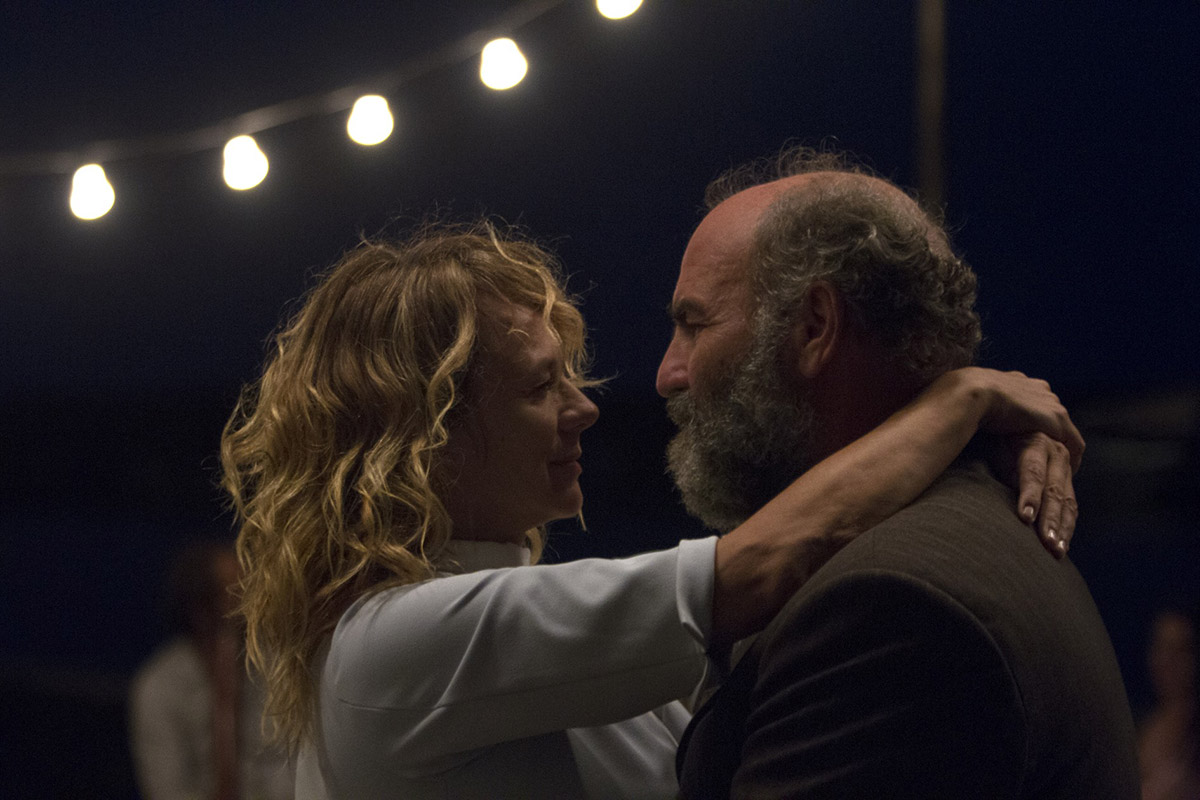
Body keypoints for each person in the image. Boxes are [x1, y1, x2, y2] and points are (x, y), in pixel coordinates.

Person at [220, 221, 1082, 799]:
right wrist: (960, 402)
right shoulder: (397, 644)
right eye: (540, 386)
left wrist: (972, 450)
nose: (585, 407)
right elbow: (768, 560)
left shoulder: (471, 632)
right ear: (428, 435)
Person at [665, 148, 1139, 797]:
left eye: (694, 325)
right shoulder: (954, 530)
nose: (669, 373)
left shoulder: (882, 606)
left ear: (815, 327)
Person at [129, 540, 292, 800]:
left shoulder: (276, 667)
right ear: (200, 611)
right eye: (236, 596)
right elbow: (167, 789)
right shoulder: (160, 687)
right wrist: (223, 700)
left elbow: (291, 767)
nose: (251, 607)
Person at [1139, 605, 1200, 800]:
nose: (1167, 661)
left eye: (1179, 651)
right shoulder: (1139, 726)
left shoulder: (1192, 735)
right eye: (1161, 647)